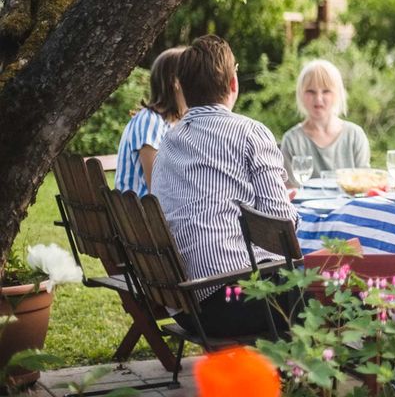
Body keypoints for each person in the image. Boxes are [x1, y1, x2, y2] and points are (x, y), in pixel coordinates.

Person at [151, 35, 298, 337]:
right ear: (233, 83)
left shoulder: (168, 141)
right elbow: (281, 233)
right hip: (235, 301)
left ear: (182, 88)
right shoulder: (250, 133)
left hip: (186, 306)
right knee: (348, 288)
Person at [280, 59, 371, 186]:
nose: (318, 99)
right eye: (311, 92)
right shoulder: (291, 140)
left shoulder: (355, 135)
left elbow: (364, 184)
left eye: (326, 91)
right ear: (300, 94)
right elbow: (289, 190)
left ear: (338, 94)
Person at [114, 47, 186, 195]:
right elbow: (157, 188)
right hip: (142, 215)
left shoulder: (171, 123)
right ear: (175, 82)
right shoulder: (150, 122)